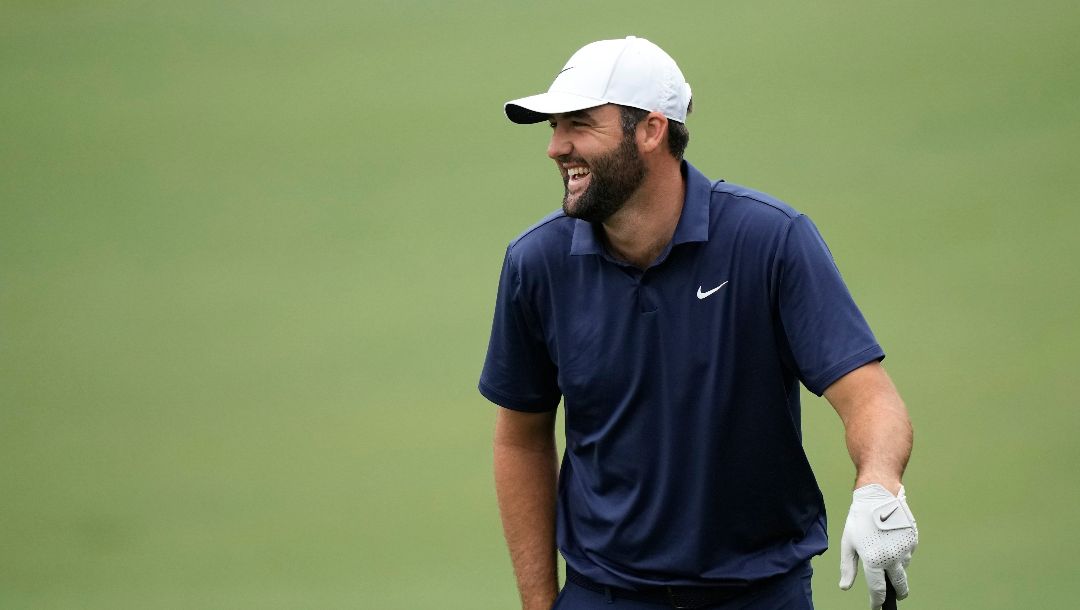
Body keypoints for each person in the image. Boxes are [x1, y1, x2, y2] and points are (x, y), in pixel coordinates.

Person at [478, 36, 917, 610]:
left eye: (579, 124)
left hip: (759, 595)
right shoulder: (535, 264)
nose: (556, 148)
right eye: (554, 128)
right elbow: (521, 442)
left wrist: (878, 483)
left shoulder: (770, 241)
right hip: (604, 596)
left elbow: (870, 398)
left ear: (652, 131)